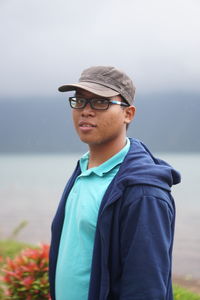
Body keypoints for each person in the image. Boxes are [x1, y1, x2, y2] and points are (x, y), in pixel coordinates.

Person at [49, 66, 181, 300]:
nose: (86, 111)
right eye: (79, 101)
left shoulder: (144, 192)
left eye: (100, 102)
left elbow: (145, 288)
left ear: (128, 114)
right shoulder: (85, 168)